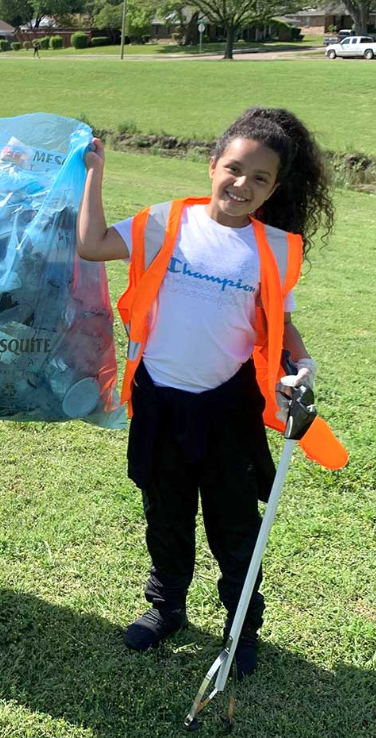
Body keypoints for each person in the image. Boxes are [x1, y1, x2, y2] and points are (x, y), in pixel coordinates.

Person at [77, 107, 341, 678]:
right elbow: (93, 244)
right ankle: (166, 606)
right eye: (235, 169)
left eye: (260, 179)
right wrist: (94, 172)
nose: (243, 185)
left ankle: (241, 624)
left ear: (273, 189)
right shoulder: (164, 222)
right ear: (212, 164)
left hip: (229, 409)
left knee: (235, 528)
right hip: (159, 400)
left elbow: (280, 323)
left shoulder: (276, 247)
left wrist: (299, 364)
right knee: (164, 514)